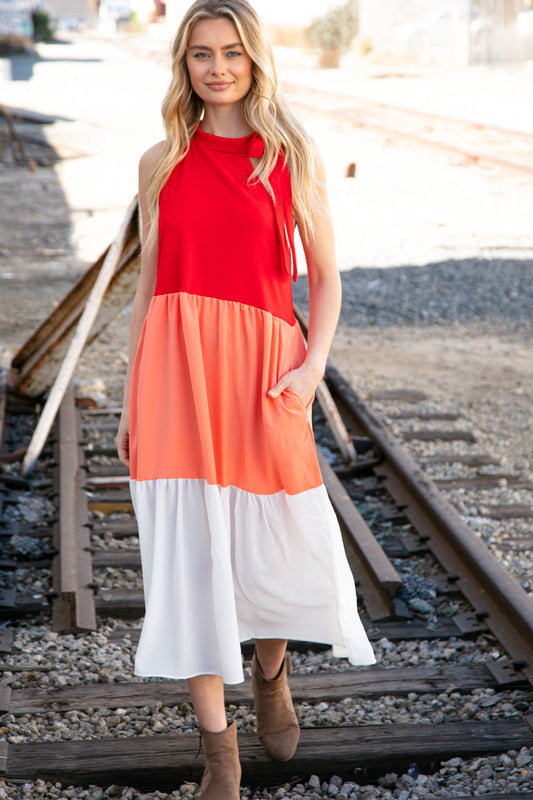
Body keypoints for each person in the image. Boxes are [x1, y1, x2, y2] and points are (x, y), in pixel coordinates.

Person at [115, 1, 375, 797]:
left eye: (231, 52)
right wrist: (129, 396)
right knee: (187, 556)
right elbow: (149, 286)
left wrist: (312, 368)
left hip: (266, 372)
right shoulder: (159, 160)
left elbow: (326, 279)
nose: (217, 67)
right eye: (201, 54)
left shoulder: (289, 154)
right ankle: (216, 746)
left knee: (279, 540)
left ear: (255, 59)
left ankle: (271, 669)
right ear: (183, 65)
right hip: (172, 373)